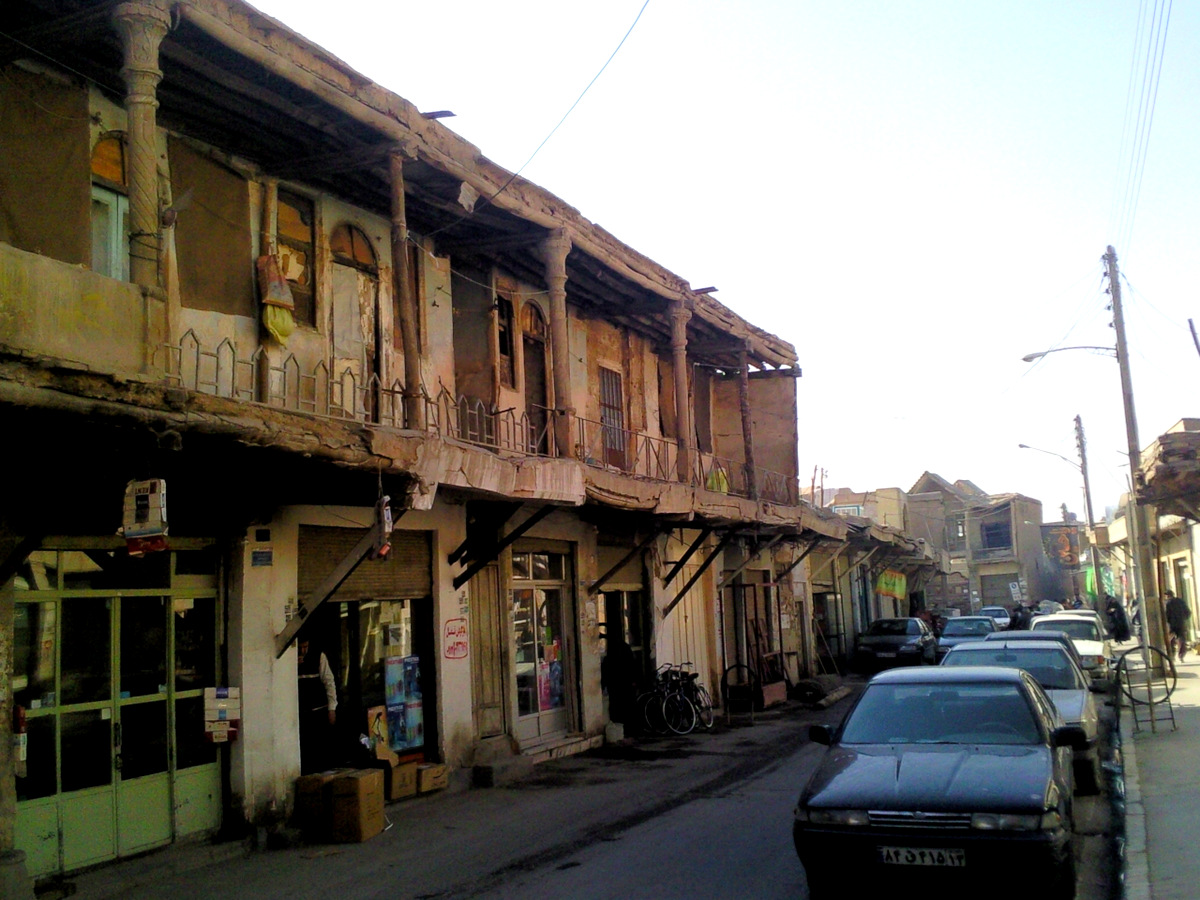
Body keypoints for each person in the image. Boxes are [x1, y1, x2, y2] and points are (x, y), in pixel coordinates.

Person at [297, 638, 338, 773]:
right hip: (299, 711)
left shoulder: (319, 656)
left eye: (305, 647)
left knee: (319, 746)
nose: (303, 651)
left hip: (318, 709)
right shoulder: (288, 660)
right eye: (300, 647)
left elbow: (329, 681)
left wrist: (332, 708)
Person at [1164, 591, 1192, 662]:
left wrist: (1167, 622)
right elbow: (1188, 612)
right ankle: (1181, 656)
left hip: (1171, 624)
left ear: (1167, 596)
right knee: (1181, 639)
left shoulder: (1167, 603)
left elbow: (1165, 615)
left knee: (1171, 640)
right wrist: (1183, 618)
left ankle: (1171, 656)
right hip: (1180, 623)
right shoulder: (1180, 601)